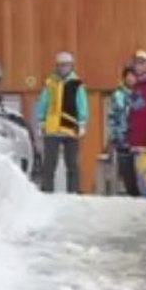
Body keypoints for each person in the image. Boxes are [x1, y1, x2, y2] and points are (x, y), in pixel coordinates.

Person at [35, 52, 89, 194]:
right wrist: (41, 121)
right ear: (57, 66)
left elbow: (82, 104)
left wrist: (82, 122)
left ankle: (74, 193)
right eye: (60, 65)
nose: (63, 68)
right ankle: (47, 192)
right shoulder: (50, 83)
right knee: (49, 164)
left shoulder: (77, 84)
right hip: (52, 128)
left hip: (70, 128)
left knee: (72, 163)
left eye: (66, 65)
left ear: (72, 66)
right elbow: (43, 103)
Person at [107, 66, 142, 197]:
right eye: (128, 76)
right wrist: (115, 135)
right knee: (127, 169)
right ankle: (132, 193)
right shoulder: (118, 95)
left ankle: (141, 191)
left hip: (139, 138)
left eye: (133, 76)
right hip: (123, 137)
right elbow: (112, 116)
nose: (130, 78)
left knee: (140, 168)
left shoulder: (140, 94)